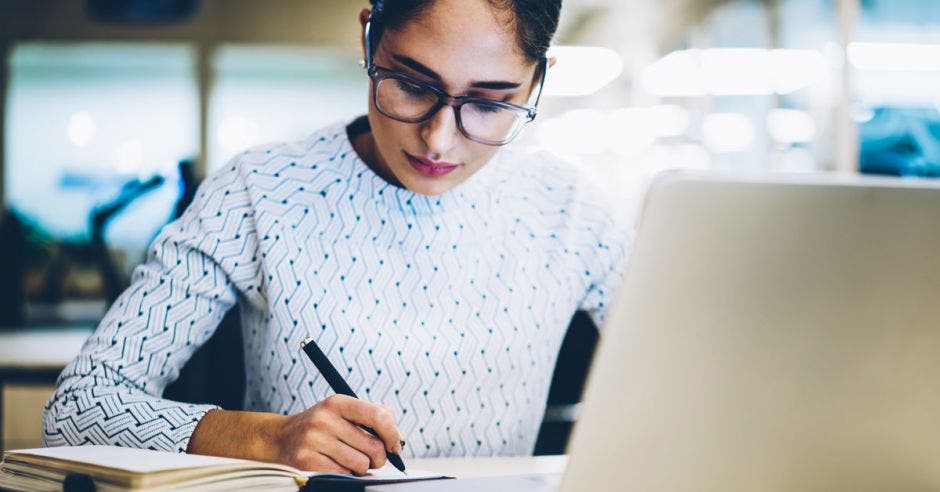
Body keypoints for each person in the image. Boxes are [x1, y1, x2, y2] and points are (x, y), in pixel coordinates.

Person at [42, 0, 629, 476]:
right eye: (411, 83)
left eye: (488, 102)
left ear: (538, 80)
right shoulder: (261, 190)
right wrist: (263, 438)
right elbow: (80, 405)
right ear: (371, 38)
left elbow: (698, 393)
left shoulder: (572, 210)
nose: (439, 140)